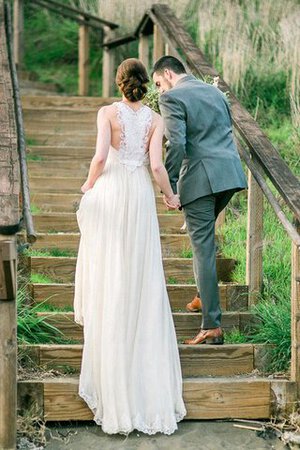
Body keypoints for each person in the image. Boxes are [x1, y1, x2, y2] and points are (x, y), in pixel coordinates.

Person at [73, 58, 187, 435]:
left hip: (112, 191)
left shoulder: (107, 112)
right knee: (141, 275)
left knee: (112, 271)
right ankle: (145, 379)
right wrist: (170, 197)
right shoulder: (155, 120)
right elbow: (157, 166)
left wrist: (88, 187)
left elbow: (101, 157)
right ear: (146, 85)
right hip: (138, 196)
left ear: (120, 84)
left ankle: (114, 370)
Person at [152, 56, 248, 345]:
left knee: (202, 249)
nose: (159, 91)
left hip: (199, 180)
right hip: (229, 175)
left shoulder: (172, 98)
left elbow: (178, 143)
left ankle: (212, 325)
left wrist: (168, 184)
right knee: (205, 241)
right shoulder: (216, 92)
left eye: (158, 84)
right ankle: (201, 296)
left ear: (168, 74)